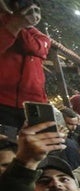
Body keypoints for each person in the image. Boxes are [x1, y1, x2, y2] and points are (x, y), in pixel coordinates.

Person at [0, 0, 48, 128]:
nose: (34, 15)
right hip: (3, 102)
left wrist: (16, 23)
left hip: (36, 103)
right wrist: (14, 23)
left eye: (37, 10)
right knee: (7, 145)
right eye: (28, 9)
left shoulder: (41, 37)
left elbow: (34, 48)